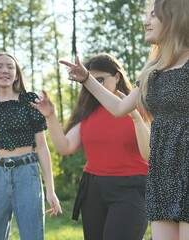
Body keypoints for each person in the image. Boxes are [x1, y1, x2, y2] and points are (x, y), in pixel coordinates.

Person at [59, 0, 189, 239]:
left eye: (153, 16)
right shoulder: (154, 70)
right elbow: (119, 108)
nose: (145, 22)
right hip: (163, 175)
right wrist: (87, 78)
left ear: (174, 19)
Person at [31, 53, 150, 239]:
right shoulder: (88, 112)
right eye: (90, 81)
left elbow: (152, 149)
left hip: (132, 190)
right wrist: (50, 116)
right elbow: (65, 147)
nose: (94, 86)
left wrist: (135, 117)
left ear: (117, 77)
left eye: (100, 79)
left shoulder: (139, 107)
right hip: (94, 189)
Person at [0, 28, 62, 240]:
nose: (5, 70)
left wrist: (50, 190)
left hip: (27, 172)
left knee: (33, 235)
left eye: (10, 66)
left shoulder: (29, 101)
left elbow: (42, 147)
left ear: (16, 74)